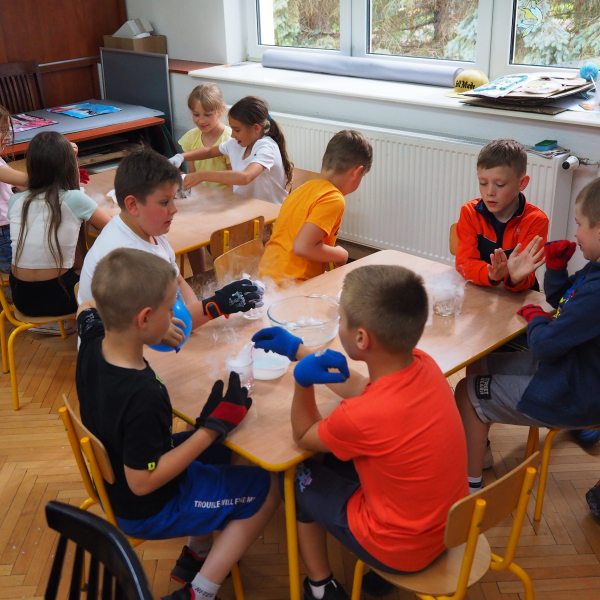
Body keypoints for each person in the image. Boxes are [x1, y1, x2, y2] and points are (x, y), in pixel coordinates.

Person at [252, 264, 468, 600]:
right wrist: (299, 350)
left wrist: (302, 381)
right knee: (335, 462)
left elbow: (304, 434)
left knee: (293, 476)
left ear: (361, 338)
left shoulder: (361, 416)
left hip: (399, 551)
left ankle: (320, 586)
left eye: (341, 319)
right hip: (448, 530)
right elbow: (365, 388)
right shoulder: (424, 364)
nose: (338, 324)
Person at [76, 248, 280, 600]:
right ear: (143, 318)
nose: (177, 317)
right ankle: (200, 592)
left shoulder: (93, 342)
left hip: (118, 482)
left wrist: (208, 432)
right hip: (147, 507)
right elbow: (142, 482)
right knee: (268, 488)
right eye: (171, 310)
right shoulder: (142, 395)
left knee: (217, 447)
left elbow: (86, 306)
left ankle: (197, 554)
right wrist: (210, 429)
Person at [455, 177, 600, 494]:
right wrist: (557, 270)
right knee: (479, 364)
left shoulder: (597, 291)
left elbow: (545, 345)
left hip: (576, 393)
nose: (575, 233)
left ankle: (469, 490)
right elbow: (566, 303)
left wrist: (537, 319)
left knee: (466, 393)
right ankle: (479, 452)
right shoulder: (595, 271)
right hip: (573, 370)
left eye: (580, 224)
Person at [78, 148, 264, 348]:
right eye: (164, 202)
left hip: (153, 335)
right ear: (133, 204)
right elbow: (166, 327)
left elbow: (178, 280)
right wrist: (217, 304)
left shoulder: (146, 228)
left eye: (173, 199)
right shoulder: (127, 259)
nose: (174, 209)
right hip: (121, 354)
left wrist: (197, 310)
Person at [8, 131, 111, 317]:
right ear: (69, 165)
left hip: (20, 297)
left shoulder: (15, 200)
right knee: (108, 271)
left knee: (73, 260)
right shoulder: (75, 198)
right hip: (60, 298)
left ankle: (71, 326)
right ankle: (92, 327)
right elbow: (113, 227)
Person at [259, 130, 372, 287]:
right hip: (291, 288)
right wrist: (341, 254)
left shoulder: (302, 189)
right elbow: (302, 247)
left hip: (266, 281)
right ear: (356, 172)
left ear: (323, 161)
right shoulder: (333, 198)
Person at [455, 138, 548, 292]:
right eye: (483, 183)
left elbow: (527, 275)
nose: (490, 192)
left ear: (522, 183)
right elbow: (464, 263)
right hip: (482, 292)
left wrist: (514, 277)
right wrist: (491, 274)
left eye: (500, 184)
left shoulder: (536, 220)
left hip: (518, 298)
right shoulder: (470, 212)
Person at [176, 96, 292, 205]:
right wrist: (180, 157)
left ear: (256, 128)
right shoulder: (238, 143)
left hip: (271, 214)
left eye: (237, 130)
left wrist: (202, 175)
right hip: (246, 208)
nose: (232, 135)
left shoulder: (266, 147)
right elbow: (209, 151)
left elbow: (245, 177)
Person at [170, 83, 232, 190]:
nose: (201, 121)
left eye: (207, 115)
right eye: (196, 114)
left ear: (221, 110)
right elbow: (192, 177)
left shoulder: (229, 139)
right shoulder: (191, 137)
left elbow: (233, 183)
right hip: (200, 195)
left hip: (224, 196)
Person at [0, 105, 28, 272]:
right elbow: (28, 181)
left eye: (8, 130)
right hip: (3, 234)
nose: (8, 137)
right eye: (2, 131)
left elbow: (22, 185)